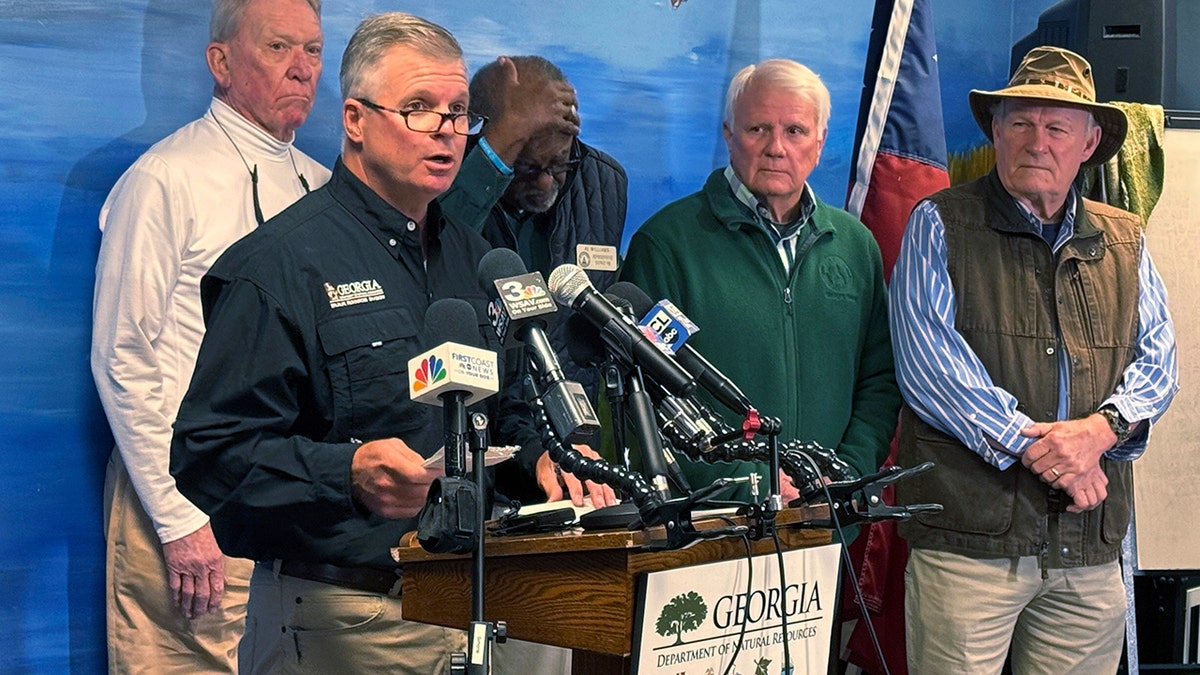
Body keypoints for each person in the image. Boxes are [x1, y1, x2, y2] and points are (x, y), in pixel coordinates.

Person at [169, 13, 612, 674]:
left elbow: (514, 409)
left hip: (496, 604)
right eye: (418, 109)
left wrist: (547, 459)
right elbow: (210, 453)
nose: (446, 130)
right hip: (354, 620)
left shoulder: (483, 260)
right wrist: (347, 475)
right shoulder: (280, 266)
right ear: (354, 119)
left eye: (458, 112)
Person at [889, 46, 1178, 673]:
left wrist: (1100, 432)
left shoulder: (1125, 237)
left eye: (1056, 127)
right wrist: (1052, 454)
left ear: (1090, 141)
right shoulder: (937, 222)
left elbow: (1159, 362)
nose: (1036, 141)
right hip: (970, 545)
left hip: (1087, 551)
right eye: (1020, 122)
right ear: (996, 131)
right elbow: (929, 366)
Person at [90, 0, 326, 671]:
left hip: (286, 511)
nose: (302, 69)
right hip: (185, 506)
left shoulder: (323, 187)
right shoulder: (164, 180)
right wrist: (176, 517)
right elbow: (121, 354)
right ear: (219, 62)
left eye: (312, 50)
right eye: (279, 47)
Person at [620, 58, 900, 504]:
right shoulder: (667, 243)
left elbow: (879, 381)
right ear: (729, 136)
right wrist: (749, 484)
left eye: (795, 131)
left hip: (824, 526)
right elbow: (644, 397)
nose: (776, 147)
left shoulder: (855, 246)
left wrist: (844, 474)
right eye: (758, 129)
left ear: (821, 142)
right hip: (711, 527)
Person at [441, 55, 627, 403]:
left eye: (559, 164)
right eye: (526, 167)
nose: (544, 182)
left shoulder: (604, 183)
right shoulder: (451, 177)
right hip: (476, 414)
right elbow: (435, 253)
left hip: (570, 420)